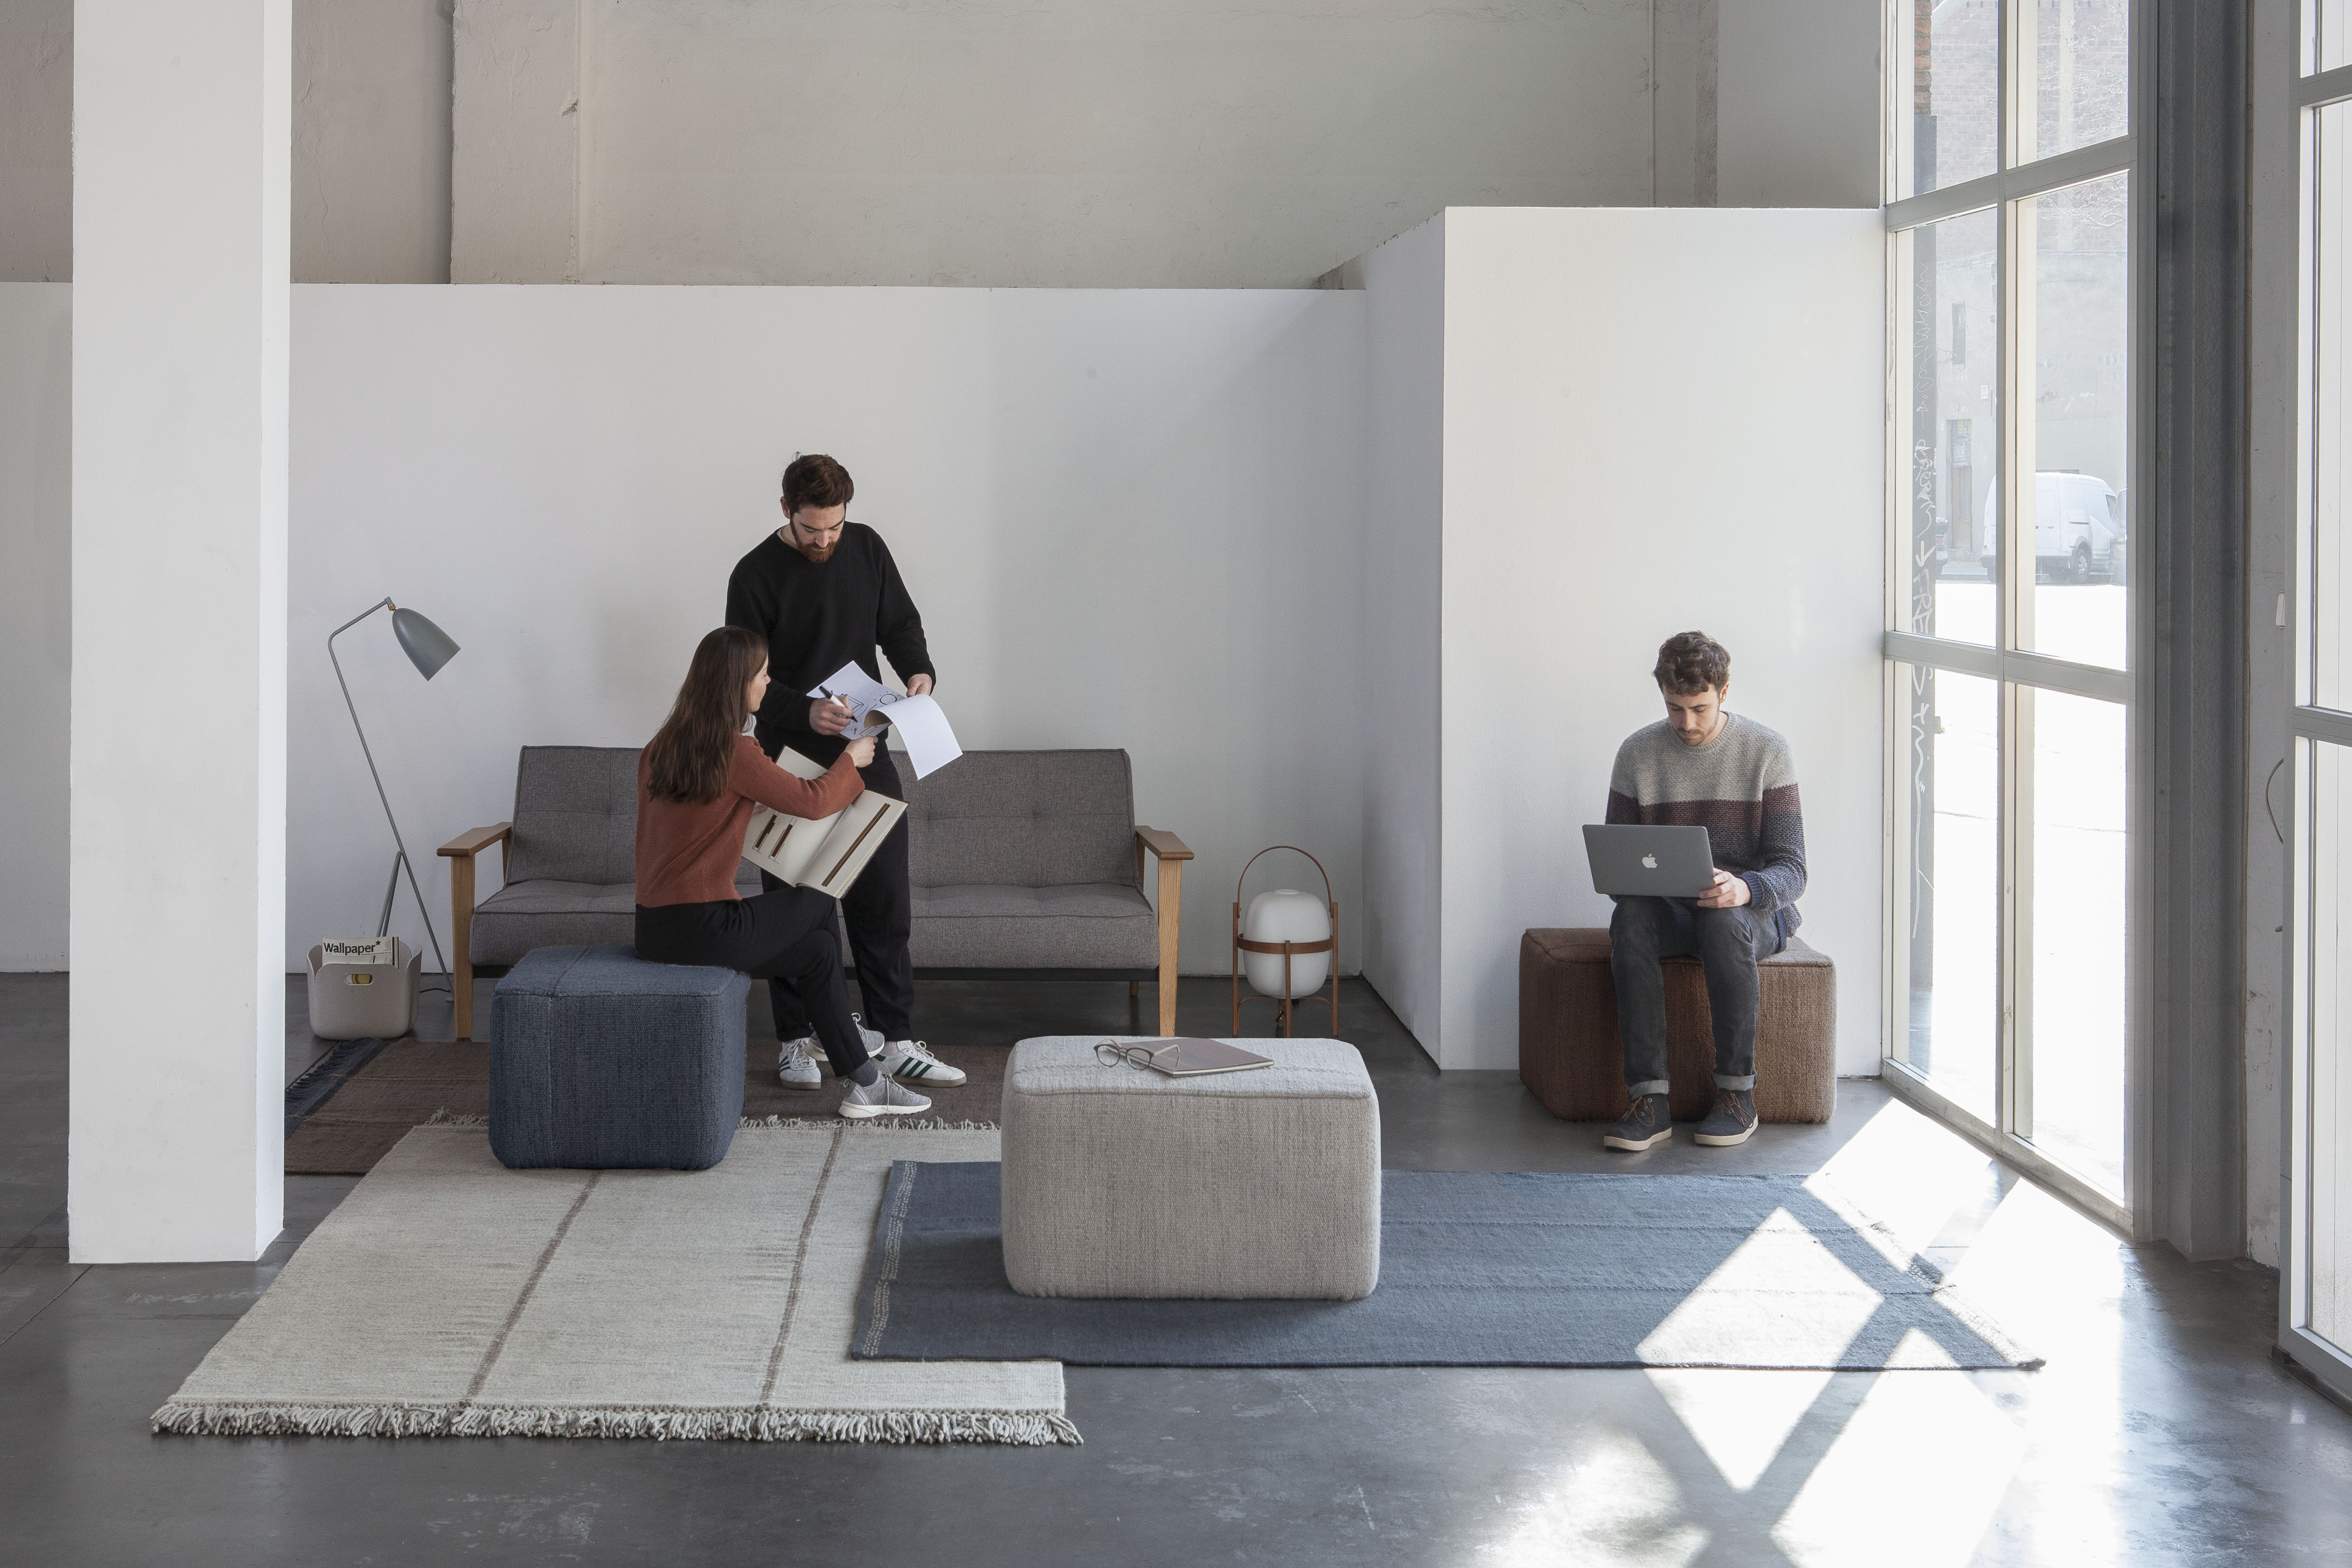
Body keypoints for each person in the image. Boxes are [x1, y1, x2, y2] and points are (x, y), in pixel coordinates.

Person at [726, 453, 966, 1091]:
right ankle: (796, 1040)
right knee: (793, 900)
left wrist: (919, 672)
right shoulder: (753, 574)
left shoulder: (867, 548)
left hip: (864, 745)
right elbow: (741, 681)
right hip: (786, 758)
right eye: (812, 528)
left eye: (834, 526)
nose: (825, 539)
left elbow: (900, 625)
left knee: (884, 896)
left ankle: (896, 1040)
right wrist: (806, 712)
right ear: (786, 510)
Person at [632, 626, 932, 1120]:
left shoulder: (661, 746)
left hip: (655, 929)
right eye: (763, 675)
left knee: (817, 952)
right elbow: (813, 801)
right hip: (707, 927)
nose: (768, 684)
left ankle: (865, 1083)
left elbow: (692, 821)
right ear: (737, 684)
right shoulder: (734, 751)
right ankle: (845, 1040)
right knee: (822, 895)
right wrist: (851, 759)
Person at [1601, 631, 1806, 1152]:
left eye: (1699, 709)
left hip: (1749, 914)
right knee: (1630, 917)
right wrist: (1642, 884)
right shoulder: (1637, 754)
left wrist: (1745, 887)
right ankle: (1649, 1102)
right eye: (1675, 709)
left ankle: (1737, 1096)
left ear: (1724, 692)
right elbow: (1619, 864)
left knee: (1723, 919)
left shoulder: (1767, 751)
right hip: (1673, 912)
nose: (1687, 723)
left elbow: (1794, 870)